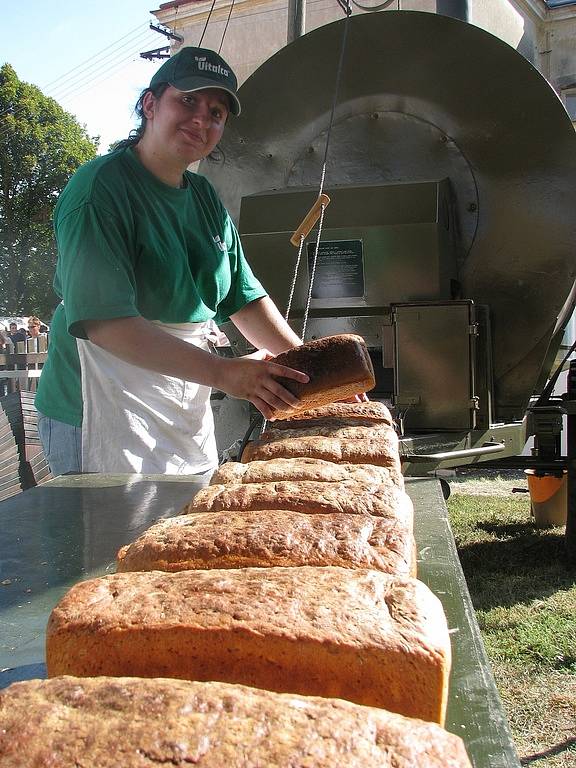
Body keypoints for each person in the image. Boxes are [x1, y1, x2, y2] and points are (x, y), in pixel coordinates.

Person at [35, 46, 308, 480]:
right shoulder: (100, 190)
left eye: (216, 112)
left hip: (180, 395)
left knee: (182, 536)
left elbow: (243, 296)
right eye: (188, 100)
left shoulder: (202, 198)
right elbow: (106, 324)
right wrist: (224, 373)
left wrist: (307, 367)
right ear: (149, 103)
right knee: (109, 544)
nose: (202, 118)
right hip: (98, 408)